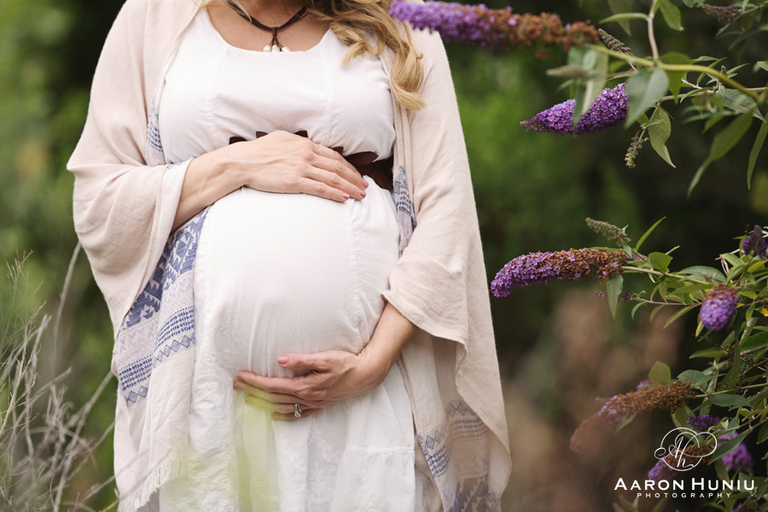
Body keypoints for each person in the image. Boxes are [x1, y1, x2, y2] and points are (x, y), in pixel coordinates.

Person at [67, 0, 511, 510]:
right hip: (207, 405)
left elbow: (446, 208)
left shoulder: (401, 16)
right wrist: (240, 163)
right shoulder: (153, 16)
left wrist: (374, 362)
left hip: (368, 400)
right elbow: (100, 202)